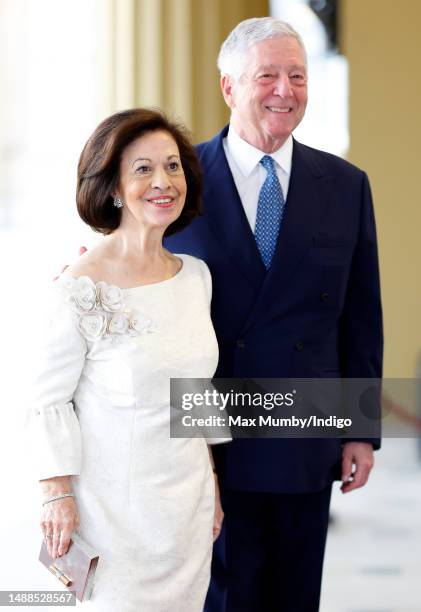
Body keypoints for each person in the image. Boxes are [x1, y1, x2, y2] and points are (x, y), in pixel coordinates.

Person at [164, 17, 383, 612]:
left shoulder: (344, 184)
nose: (285, 90)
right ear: (229, 87)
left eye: (298, 76)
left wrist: (360, 429)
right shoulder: (178, 180)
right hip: (205, 433)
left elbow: (360, 315)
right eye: (268, 75)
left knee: (294, 593)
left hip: (303, 429)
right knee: (220, 594)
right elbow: (134, 263)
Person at [27, 108, 227, 611]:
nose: (163, 181)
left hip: (187, 509)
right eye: (142, 168)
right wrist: (57, 497)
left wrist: (213, 482)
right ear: (113, 186)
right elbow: (47, 401)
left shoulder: (196, 277)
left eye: (173, 166)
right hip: (112, 517)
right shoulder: (79, 287)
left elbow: (195, 393)